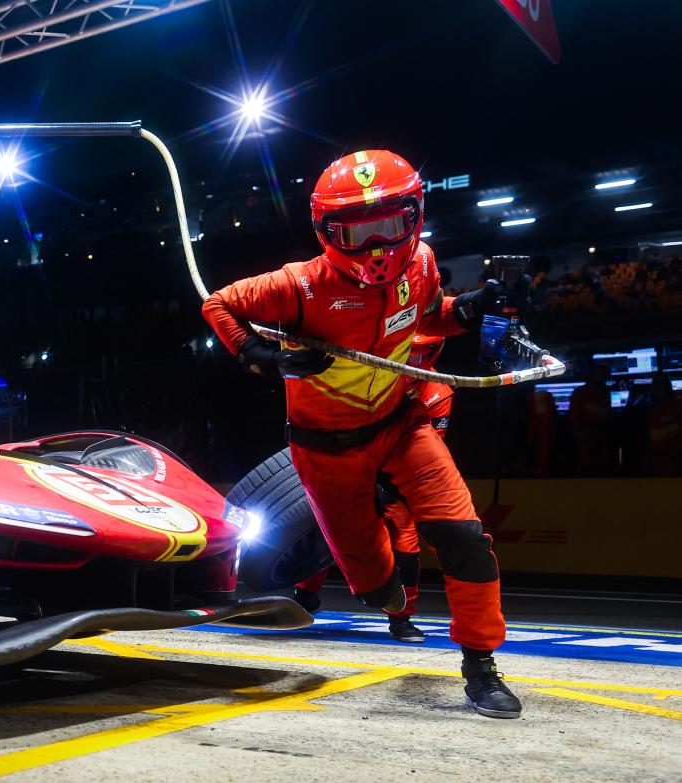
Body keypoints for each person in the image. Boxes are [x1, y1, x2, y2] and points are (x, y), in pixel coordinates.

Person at [202, 149, 520, 719]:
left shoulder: (421, 263)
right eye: (356, 232)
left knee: (465, 536)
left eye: (389, 225)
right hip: (327, 452)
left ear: (414, 215)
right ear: (326, 231)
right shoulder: (298, 286)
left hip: (402, 424)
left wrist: (465, 311)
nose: (377, 248)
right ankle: (389, 601)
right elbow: (219, 303)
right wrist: (258, 355)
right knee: (375, 585)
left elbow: (427, 318)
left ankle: (481, 666)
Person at [290, 330, 452, 644]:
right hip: (356, 464)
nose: (413, 361)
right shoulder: (370, 372)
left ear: (436, 351)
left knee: (405, 542)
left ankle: (401, 617)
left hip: (398, 475)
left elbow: (429, 447)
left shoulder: (439, 393)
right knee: (332, 531)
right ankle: (304, 596)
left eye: (422, 354)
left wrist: (389, 484)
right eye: (410, 352)